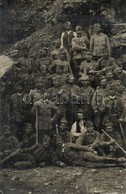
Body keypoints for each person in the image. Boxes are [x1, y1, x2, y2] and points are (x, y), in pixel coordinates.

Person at [55, 135, 126, 168]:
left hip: (83, 155)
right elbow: (57, 160)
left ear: (62, 140)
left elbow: (80, 147)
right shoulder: (58, 151)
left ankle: (118, 159)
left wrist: (91, 150)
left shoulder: (68, 144)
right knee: (97, 165)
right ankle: (118, 165)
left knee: (99, 159)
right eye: (57, 141)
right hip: (80, 162)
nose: (58, 142)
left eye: (59, 140)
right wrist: (60, 163)